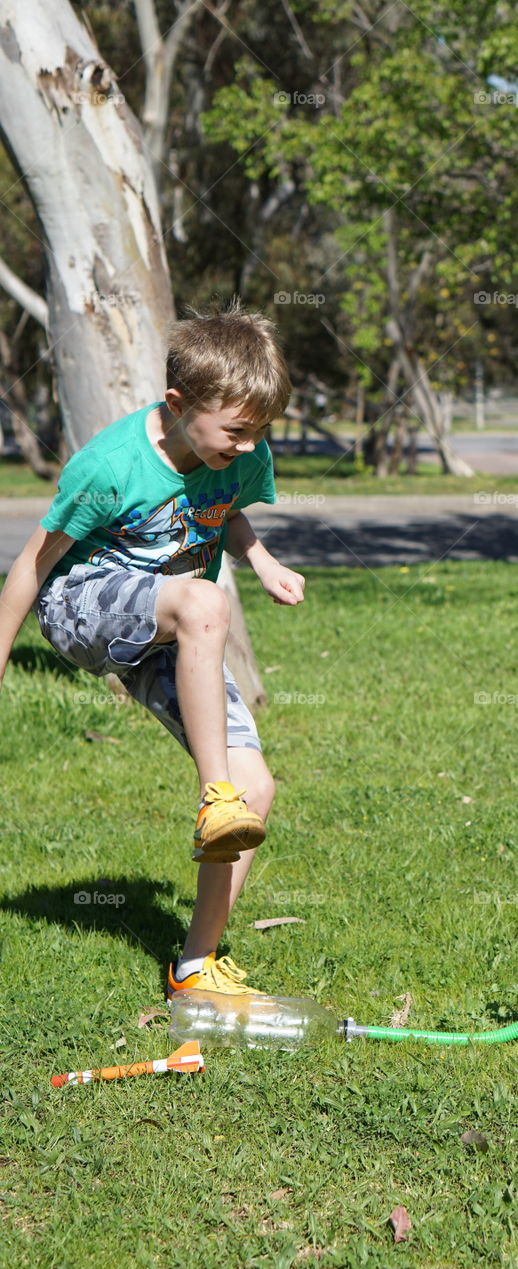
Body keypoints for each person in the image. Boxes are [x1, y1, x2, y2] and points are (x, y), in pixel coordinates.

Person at [0, 302, 305, 1000]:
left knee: (257, 789)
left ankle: (193, 967)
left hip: (169, 628)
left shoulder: (241, 450)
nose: (249, 447)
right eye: (235, 432)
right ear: (177, 404)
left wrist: (260, 560)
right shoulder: (109, 465)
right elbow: (30, 565)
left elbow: (223, 510)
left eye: (261, 433)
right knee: (201, 602)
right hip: (82, 608)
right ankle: (213, 796)